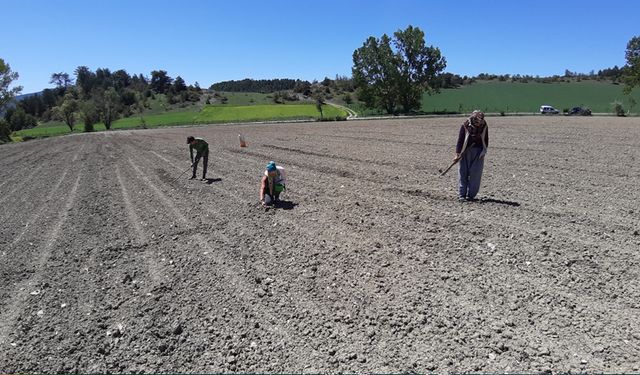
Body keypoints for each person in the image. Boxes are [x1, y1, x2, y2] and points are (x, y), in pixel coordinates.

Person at [454, 110, 489, 201]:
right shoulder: (465, 125)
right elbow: (460, 140)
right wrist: (457, 153)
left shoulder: (484, 126)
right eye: (477, 119)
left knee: (475, 174)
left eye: (480, 120)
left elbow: (485, 139)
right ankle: (462, 195)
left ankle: (471, 195)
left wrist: (484, 152)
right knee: (463, 173)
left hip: (478, 152)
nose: (479, 122)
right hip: (464, 151)